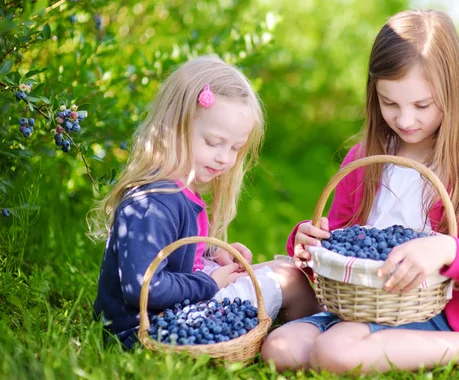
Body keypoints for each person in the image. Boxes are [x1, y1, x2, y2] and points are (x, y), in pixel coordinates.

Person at [260, 10, 459, 379]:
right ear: (374, 95)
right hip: (360, 307)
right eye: (390, 103)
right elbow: (340, 242)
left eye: (422, 105)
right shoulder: (364, 162)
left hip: (432, 314)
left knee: (334, 352)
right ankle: (356, 344)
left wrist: (450, 250)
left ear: (451, 95)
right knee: (280, 348)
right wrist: (309, 239)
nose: (405, 120)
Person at [91, 56, 319, 349]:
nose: (225, 157)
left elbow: (179, 258)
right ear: (175, 127)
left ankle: (306, 332)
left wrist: (212, 255)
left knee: (282, 269)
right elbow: (145, 288)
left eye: (236, 147)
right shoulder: (153, 204)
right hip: (150, 329)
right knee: (288, 278)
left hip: (175, 313)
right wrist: (213, 283)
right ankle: (314, 336)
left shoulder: (181, 192)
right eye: (213, 143)